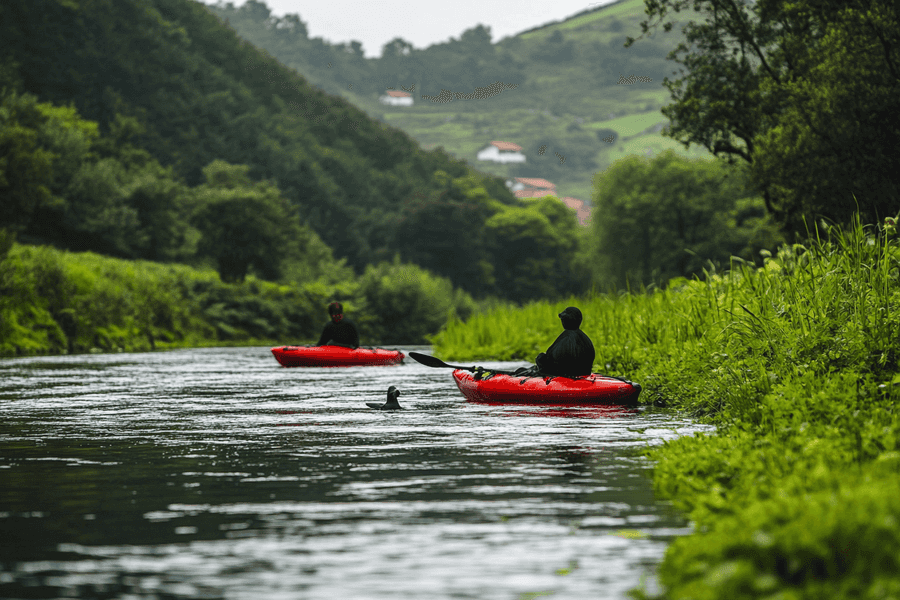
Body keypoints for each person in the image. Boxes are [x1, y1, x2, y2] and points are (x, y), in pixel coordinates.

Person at [534, 306, 595, 377]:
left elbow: (556, 360)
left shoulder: (567, 338)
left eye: (563, 320)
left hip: (566, 374)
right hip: (584, 372)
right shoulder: (585, 338)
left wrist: (541, 360)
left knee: (540, 358)